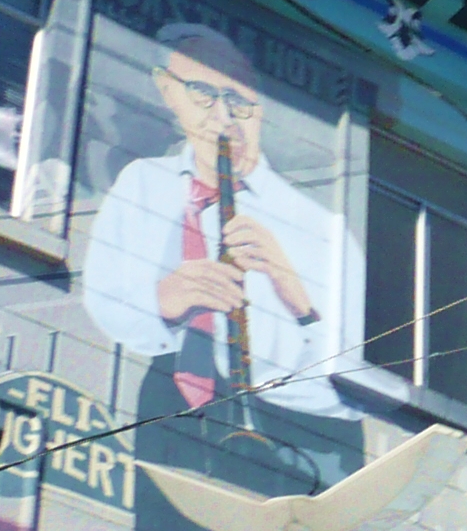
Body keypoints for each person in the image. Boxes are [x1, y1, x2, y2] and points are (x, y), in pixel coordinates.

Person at [78, 23, 356, 417]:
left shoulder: (322, 229)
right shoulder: (143, 182)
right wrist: (163, 301)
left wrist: (296, 299)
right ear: (169, 91)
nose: (223, 117)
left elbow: (355, 389)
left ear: (261, 109)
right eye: (203, 93)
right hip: (160, 405)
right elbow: (101, 300)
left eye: (238, 100)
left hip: (288, 422)